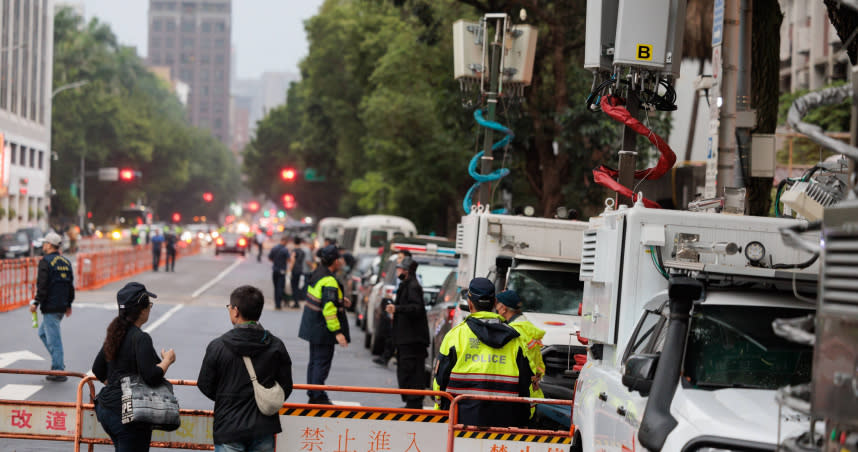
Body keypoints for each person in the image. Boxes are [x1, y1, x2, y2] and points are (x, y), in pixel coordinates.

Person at [198, 286, 293, 452]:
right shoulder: (276, 346)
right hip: (264, 428)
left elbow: (205, 384)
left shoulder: (218, 346)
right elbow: (286, 386)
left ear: (235, 311)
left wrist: (226, 397)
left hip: (228, 427)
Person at [432, 277, 535, 428]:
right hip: (505, 426)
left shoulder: (455, 336)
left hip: (461, 423)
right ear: (495, 303)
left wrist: (441, 410)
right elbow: (527, 385)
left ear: (469, 302)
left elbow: (440, 381)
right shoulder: (515, 340)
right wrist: (525, 417)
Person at [92, 282, 177, 451]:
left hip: (106, 409)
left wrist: (117, 387)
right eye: (149, 305)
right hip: (129, 415)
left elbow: (97, 369)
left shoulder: (115, 332)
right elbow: (151, 375)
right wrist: (167, 360)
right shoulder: (140, 338)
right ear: (142, 310)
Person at [298, 245, 351, 405]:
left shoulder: (317, 273)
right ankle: (318, 395)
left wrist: (341, 300)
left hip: (313, 327)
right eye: (340, 259)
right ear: (335, 261)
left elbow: (322, 299)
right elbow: (328, 309)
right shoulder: (329, 281)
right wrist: (338, 332)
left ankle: (313, 391)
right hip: (323, 329)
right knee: (321, 362)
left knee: (314, 361)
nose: (342, 261)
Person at [385, 257, 429, 409]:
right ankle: (412, 402)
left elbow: (416, 308)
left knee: (411, 371)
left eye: (399, 269)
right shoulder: (407, 285)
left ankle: (414, 403)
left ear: (406, 271)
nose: (397, 271)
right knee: (407, 370)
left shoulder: (413, 286)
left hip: (412, 339)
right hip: (407, 338)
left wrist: (397, 309)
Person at [29, 232, 74, 381]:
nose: (43, 246)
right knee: (43, 333)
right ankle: (57, 362)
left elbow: (42, 286)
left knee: (54, 340)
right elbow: (70, 286)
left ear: (49, 245)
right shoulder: (66, 262)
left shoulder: (45, 262)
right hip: (61, 307)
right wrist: (68, 304)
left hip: (50, 307)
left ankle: (59, 370)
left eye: (44, 243)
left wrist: (35, 302)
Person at [496, 290, 546, 410]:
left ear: (503, 308)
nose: (496, 309)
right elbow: (538, 364)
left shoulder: (513, 332)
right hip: (532, 394)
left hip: (519, 396)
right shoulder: (528, 328)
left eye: (497, 305)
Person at [268, 236, 290, 310]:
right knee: (280, 287)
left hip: (275, 270)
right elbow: (288, 260)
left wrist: (276, 261)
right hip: (282, 271)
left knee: (276, 287)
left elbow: (270, 258)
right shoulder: (285, 250)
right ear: (284, 241)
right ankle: (279, 304)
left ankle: (276, 303)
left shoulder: (274, 248)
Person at [289, 237, 307, 306]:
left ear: (294, 242)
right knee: (298, 286)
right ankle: (297, 301)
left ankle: (296, 302)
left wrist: (289, 270)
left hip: (294, 270)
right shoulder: (302, 251)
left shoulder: (294, 251)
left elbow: (292, 261)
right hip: (300, 269)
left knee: (294, 286)